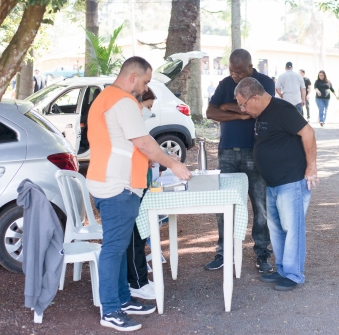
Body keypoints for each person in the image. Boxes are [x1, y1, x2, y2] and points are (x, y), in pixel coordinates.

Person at [86, 56, 191, 331]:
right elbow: (143, 141)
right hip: (116, 184)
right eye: (145, 82)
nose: (145, 88)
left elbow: (127, 141)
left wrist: (154, 158)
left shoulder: (106, 97)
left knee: (119, 248)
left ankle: (122, 299)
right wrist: (174, 164)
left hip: (110, 180)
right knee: (113, 249)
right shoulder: (123, 101)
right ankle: (110, 310)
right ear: (132, 77)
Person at [234, 77, 318, 291]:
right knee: (277, 228)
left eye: (243, 104)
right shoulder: (261, 114)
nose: (242, 109)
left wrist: (311, 167)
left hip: (290, 180)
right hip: (271, 182)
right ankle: (282, 269)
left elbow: (308, 132)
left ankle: (293, 274)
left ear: (255, 97)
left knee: (292, 228)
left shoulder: (282, 109)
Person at [205, 48, 275, 273]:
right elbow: (210, 112)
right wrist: (240, 113)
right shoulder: (225, 83)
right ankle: (224, 252)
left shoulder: (265, 82)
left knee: (260, 205)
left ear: (250, 66)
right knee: (224, 204)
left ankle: (262, 253)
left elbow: (261, 109)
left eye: (238, 72)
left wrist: (227, 105)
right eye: (231, 71)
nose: (233, 75)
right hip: (227, 152)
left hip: (256, 152)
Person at [125, 89, 159, 301]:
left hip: (140, 180)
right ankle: (137, 282)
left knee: (140, 233)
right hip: (132, 183)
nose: (149, 112)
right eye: (147, 107)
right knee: (135, 236)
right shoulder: (128, 122)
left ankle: (140, 279)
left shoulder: (137, 123)